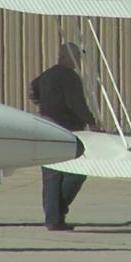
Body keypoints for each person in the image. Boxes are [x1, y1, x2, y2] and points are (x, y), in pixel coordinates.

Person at [29, 42, 98, 231]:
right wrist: (91, 122)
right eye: (76, 56)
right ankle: (58, 211)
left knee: (51, 175)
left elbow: (33, 89)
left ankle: (53, 217)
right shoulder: (70, 77)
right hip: (68, 129)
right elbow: (77, 103)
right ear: (66, 57)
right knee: (76, 172)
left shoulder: (47, 75)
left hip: (46, 127)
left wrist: (45, 105)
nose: (78, 61)